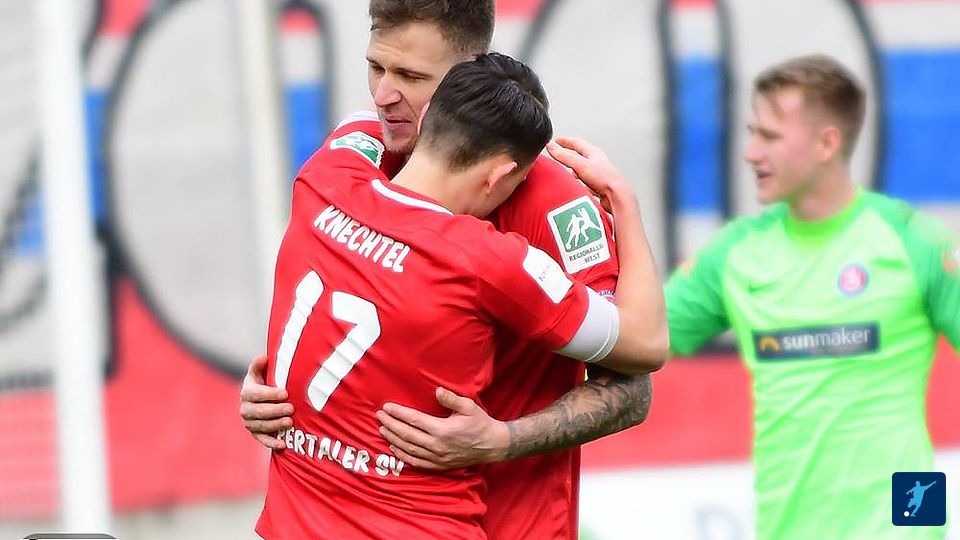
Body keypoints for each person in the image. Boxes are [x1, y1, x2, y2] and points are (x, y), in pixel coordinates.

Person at [374, 54, 960, 539]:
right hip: (787, 523)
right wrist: (617, 203)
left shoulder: (914, 243)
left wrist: (927, 515)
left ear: (827, 143)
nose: (750, 152)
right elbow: (636, 341)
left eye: (769, 136)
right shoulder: (736, 254)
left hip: (903, 520)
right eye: (750, 133)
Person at [241, 2, 657, 538]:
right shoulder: (362, 159)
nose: (383, 95)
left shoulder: (552, 204)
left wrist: (504, 439)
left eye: (411, 77)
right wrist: (279, 389)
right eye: (376, 67)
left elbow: (633, 386)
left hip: (512, 524)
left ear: (466, 78)